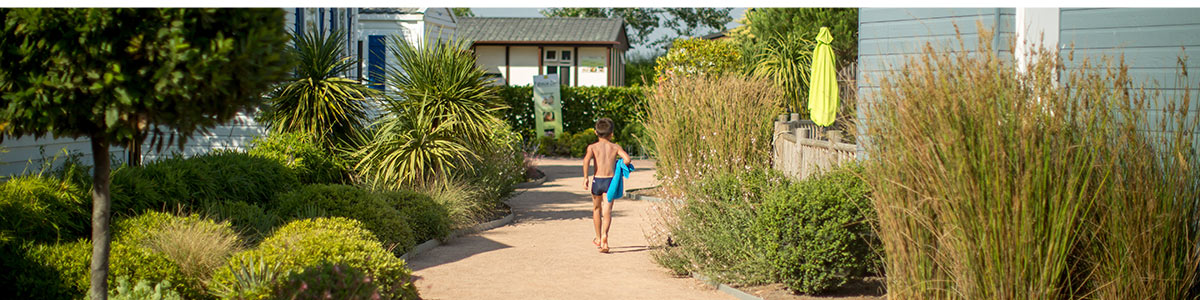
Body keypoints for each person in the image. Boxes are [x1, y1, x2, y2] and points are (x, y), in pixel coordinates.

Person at [583, 118, 632, 253]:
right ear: (612, 133)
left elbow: (586, 160)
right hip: (610, 181)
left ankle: (598, 238)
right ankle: (605, 236)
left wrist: (586, 178)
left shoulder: (592, 147)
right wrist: (619, 165)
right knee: (607, 210)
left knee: (596, 209)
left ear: (595, 132)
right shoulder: (615, 147)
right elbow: (627, 160)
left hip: (597, 180)